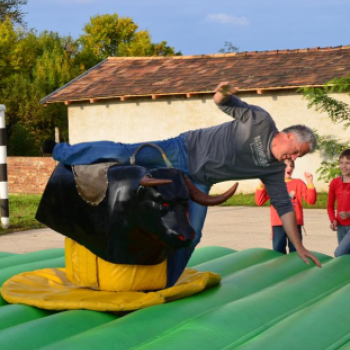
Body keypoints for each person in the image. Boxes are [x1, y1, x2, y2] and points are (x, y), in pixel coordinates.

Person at [52, 81, 322, 285]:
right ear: (287, 136)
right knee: (124, 152)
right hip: (182, 150)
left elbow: (284, 208)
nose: (295, 157)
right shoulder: (261, 121)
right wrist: (224, 92)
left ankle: (163, 284)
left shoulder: (274, 170)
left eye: (300, 155)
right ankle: (62, 152)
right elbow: (221, 101)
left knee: (190, 235)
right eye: (297, 150)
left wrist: (298, 246)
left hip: (200, 182)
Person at [255, 159, 317, 254]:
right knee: (278, 254)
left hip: (294, 224)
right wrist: (261, 184)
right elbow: (259, 201)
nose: (289, 168)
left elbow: (311, 200)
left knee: (296, 254)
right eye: (285, 165)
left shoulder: (298, 183)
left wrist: (310, 183)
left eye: (291, 166)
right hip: (279, 224)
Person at [327, 148, 350, 257]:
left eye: (347, 163)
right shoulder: (335, 183)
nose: (343, 166)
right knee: (344, 259)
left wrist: (349, 214)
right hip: (340, 226)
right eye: (341, 163)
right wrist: (333, 220)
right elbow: (330, 206)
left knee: (339, 253)